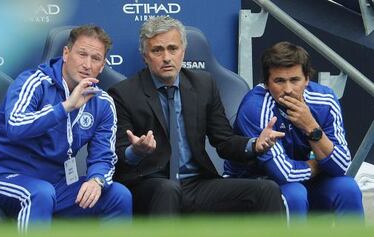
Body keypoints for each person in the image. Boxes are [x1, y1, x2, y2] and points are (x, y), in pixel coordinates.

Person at [108, 16, 286, 216]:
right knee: (168, 190)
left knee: (266, 190)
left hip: (197, 184)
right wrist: (136, 151)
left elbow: (224, 141)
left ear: (183, 52)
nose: (166, 57)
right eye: (157, 50)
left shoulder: (203, 85)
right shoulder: (123, 93)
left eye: (173, 49)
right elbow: (118, 156)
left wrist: (254, 144)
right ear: (145, 56)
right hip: (150, 185)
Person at [0, 25, 132, 231]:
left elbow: (104, 156)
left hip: (57, 185)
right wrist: (66, 107)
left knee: (118, 196)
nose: (87, 64)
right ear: (66, 53)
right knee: (39, 193)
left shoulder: (103, 102)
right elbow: (15, 126)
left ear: (102, 66)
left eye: (95, 58)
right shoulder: (34, 82)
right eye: (82, 54)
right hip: (0, 176)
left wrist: (97, 180)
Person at [224, 41, 364, 220]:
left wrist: (310, 126)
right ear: (266, 83)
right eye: (279, 81)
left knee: (347, 188)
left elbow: (342, 165)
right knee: (295, 193)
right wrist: (320, 163)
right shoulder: (255, 107)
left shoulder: (325, 100)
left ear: (307, 79)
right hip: (252, 184)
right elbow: (283, 173)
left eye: (295, 80)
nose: (288, 90)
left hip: (303, 181)